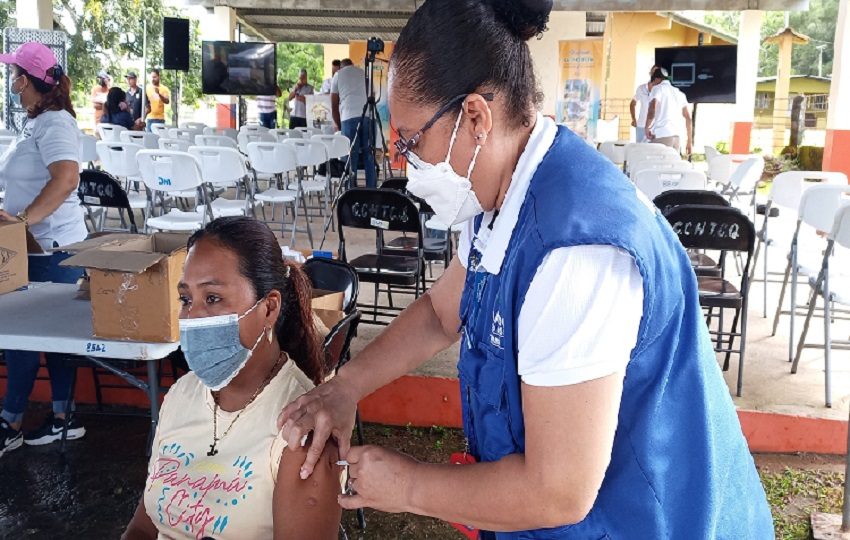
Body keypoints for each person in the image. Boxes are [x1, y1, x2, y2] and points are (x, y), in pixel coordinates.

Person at [277, 1, 774, 538]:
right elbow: (442, 314)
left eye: (411, 142)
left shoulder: (575, 251)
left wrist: (409, 486)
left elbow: (557, 490)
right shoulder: (499, 193)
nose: (404, 163)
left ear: (475, 118)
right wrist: (345, 387)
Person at [121, 217, 342, 540]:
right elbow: (144, 526)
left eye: (212, 298)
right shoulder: (183, 394)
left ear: (269, 308)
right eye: (186, 300)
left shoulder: (302, 429)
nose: (192, 317)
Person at [0, 42, 88, 458]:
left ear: (24, 80)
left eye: (13, 72)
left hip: (54, 248)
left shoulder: (55, 123)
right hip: (35, 249)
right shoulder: (37, 123)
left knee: (42, 335)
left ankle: (46, 418)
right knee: (27, 333)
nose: (9, 79)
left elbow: (66, 178)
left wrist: (23, 220)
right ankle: (23, 418)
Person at [331, 59, 376, 188]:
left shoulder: (338, 75)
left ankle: (351, 190)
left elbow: (334, 104)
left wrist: (339, 126)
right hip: (367, 116)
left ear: (341, 67)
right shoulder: (363, 73)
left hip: (348, 117)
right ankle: (372, 189)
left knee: (351, 156)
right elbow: (372, 95)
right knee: (369, 155)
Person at [645, 67, 693, 155]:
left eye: (653, 81)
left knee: (655, 162)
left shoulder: (657, 89)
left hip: (661, 135)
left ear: (656, 79)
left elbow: (652, 109)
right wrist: (689, 142)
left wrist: (647, 127)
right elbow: (688, 118)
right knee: (672, 163)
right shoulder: (679, 93)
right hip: (676, 138)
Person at [629, 64, 658, 143]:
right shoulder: (641, 88)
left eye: (657, 72)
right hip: (641, 125)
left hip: (656, 127)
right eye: (654, 72)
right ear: (650, 73)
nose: (655, 74)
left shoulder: (661, 89)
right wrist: (634, 119)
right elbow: (632, 103)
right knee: (640, 148)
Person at [144, 68, 170, 132]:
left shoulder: (164, 89)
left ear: (159, 77)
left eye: (154, 77)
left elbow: (167, 101)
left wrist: (159, 94)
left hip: (160, 119)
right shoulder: (147, 88)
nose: (153, 79)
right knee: (149, 137)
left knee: (159, 137)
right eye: (151, 77)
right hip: (150, 118)